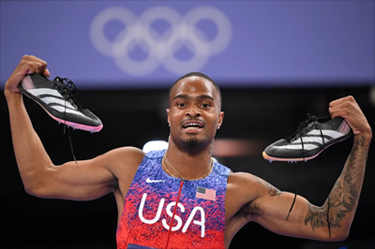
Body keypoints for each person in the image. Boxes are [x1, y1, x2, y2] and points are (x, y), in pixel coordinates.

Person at [4, 55, 372, 249]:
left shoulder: (240, 191)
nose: (193, 110)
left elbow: (330, 226)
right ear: (169, 116)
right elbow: (39, 179)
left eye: (205, 104)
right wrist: (14, 98)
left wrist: (362, 141)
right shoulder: (127, 166)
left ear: (219, 118)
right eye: (182, 103)